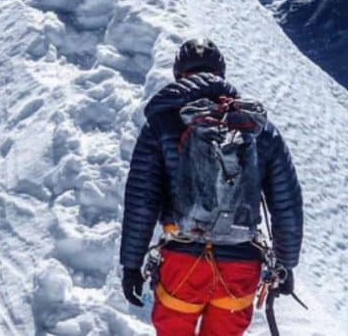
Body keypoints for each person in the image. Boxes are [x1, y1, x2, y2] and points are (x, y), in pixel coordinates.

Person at [120, 38, 303, 336]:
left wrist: (131, 264)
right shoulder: (257, 128)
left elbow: (142, 200)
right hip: (240, 266)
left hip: (182, 261)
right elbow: (287, 204)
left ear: (179, 75)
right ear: (222, 74)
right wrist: (286, 263)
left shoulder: (162, 124)